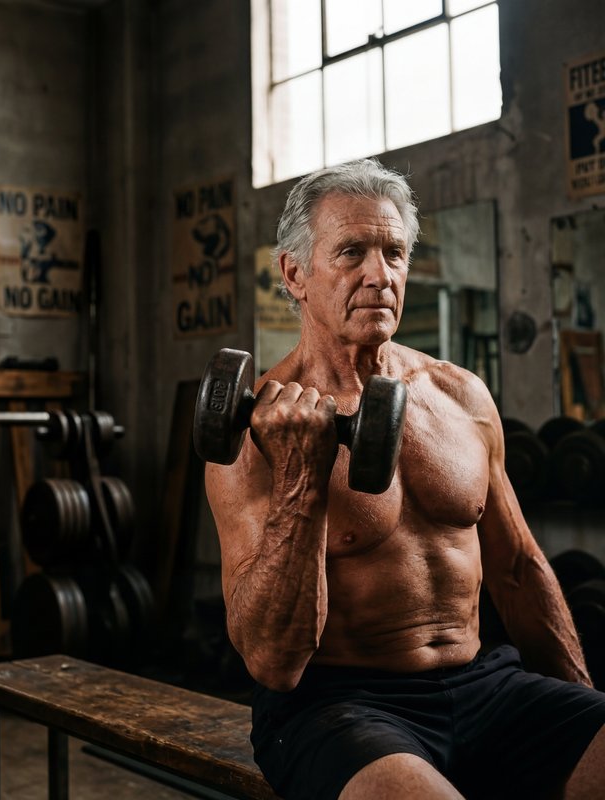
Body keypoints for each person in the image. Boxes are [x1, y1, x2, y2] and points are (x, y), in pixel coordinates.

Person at [204, 159, 605, 800]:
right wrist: (303, 476)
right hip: (336, 707)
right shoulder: (254, 435)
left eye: (394, 252)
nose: (379, 274)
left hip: (484, 684)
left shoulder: (462, 395)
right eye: (352, 252)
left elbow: (518, 571)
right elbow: (272, 662)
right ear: (295, 274)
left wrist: (580, 713)